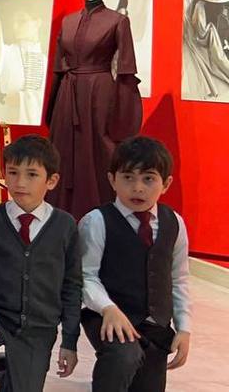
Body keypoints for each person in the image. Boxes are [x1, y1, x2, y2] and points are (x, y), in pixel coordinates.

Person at [0, 135, 82, 392]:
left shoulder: (65, 225)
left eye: (32, 175)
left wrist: (69, 341)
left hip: (39, 328)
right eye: (13, 173)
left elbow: (72, 286)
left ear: (51, 181)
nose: (20, 183)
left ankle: (5, 370)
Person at [78, 136, 191, 392]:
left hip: (154, 325)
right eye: (128, 177)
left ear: (166, 184)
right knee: (123, 356)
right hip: (105, 315)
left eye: (148, 178)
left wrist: (184, 328)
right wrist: (108, 308)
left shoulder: (174, 223)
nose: (137, 188)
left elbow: (179, 279)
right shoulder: (96, 221)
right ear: (112, 180)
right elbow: (86, 276)